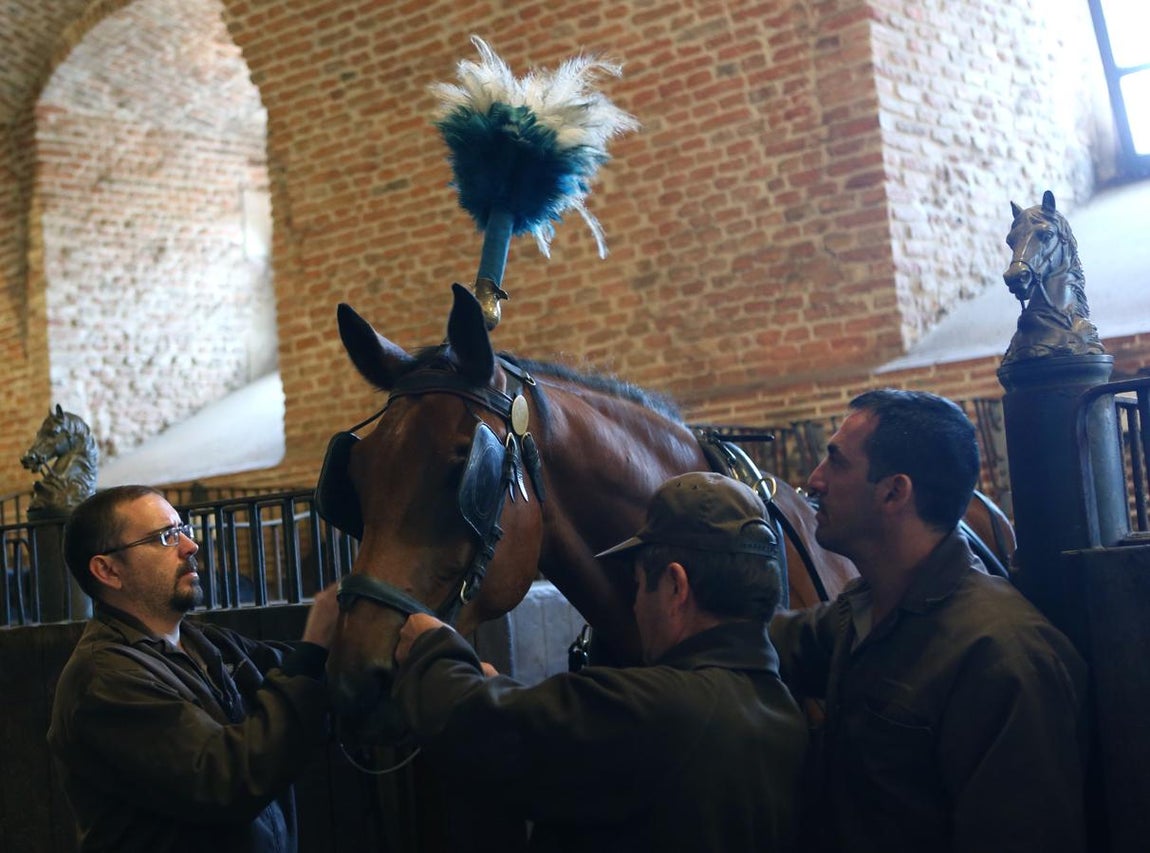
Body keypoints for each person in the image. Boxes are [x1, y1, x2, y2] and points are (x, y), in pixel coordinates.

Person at [393, 471, 808, 852]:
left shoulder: (660, 709)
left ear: (676, 586)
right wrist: (493, 688)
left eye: (641, 585)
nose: (636, 604)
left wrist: (429, 648)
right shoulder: (781, 713)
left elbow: (483, 729)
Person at [770, 389, 1088, 853]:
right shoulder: (862, 610)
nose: (814, 481)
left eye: (835, 463)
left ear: (894, 491)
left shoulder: (1001, 653)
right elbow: (774, 642)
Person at [47, 484, 340, 853]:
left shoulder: (206, 643)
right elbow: (227, 778)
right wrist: (314, 649)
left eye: (183, 529)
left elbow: (295, 672)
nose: (190, 546)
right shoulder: (105, 678)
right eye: (166, 537)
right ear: (108, 570)